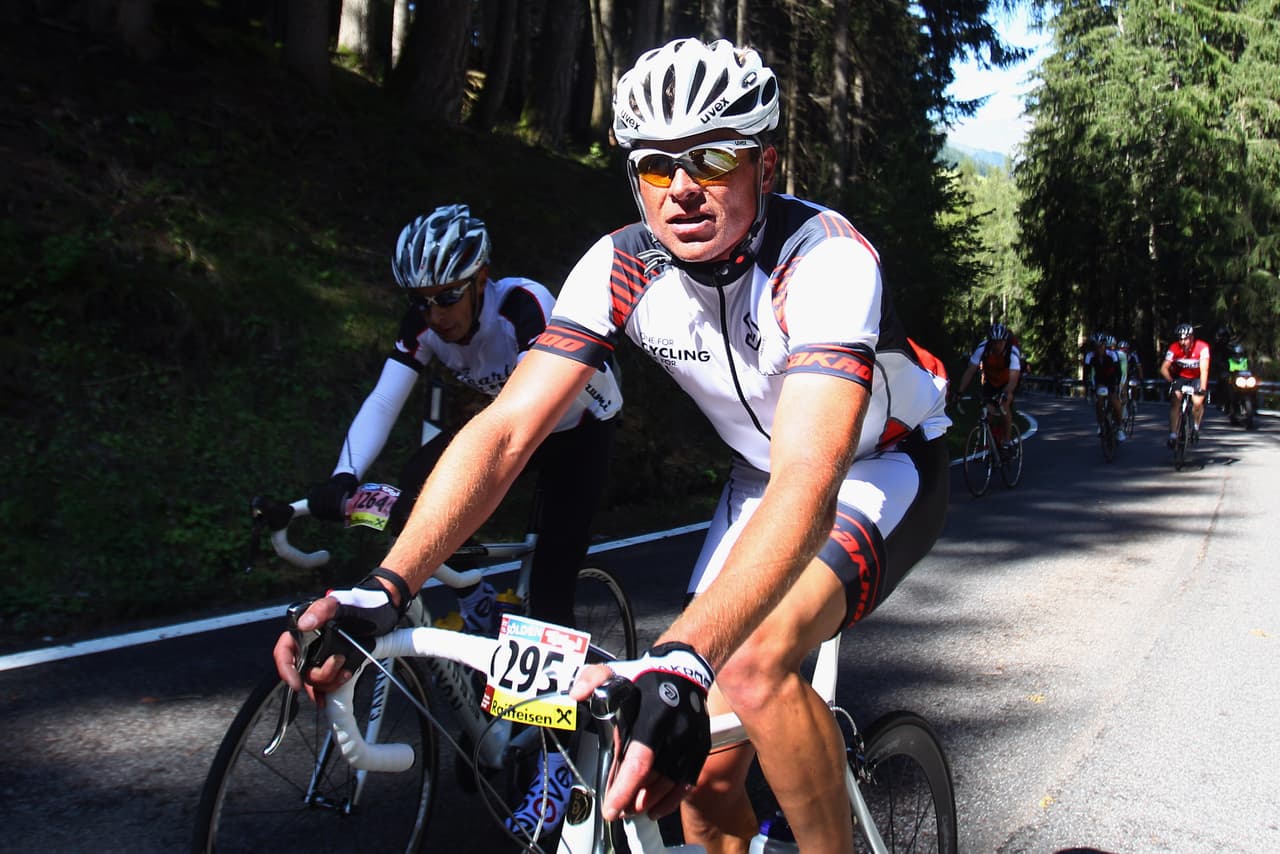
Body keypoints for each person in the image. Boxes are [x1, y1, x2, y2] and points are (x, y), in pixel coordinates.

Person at [275, 38, 950, 853]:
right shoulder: (622, 264)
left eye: (715, 158)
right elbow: (504, 432)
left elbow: (810, 477)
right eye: (658, 167)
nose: (685, 190)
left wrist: (687, 657)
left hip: (875, 467)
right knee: (695, 777)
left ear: (766, 168)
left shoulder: (824, 260)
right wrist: (383, 588)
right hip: (756, 482)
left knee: (746, 664)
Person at [300, 205, 623, 839]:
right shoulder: (425, 324)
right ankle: (476, 597)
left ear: (481, 279)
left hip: (576, 427)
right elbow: (385, 398)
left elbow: (521, 423)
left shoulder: (525, 306)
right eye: (423, 301)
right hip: (503, 421)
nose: (438, 312)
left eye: (449, 294)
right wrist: (344, 475)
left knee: (548, 595)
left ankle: (559, 768)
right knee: (409, 501)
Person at [952, 322, 1021, 448]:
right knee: (988, 412)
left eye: (1000, 342)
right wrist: (960, 391)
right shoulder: (982, 349)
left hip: (1007, 384)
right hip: (990, 382)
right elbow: (970, 371)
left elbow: (1013, 379)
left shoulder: (1012, 352)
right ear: (990, 341)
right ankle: (990, 442)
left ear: (1005, 341)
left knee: (1004, 406)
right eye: (994, 342)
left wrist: (1005, 394)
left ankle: (1006, 441)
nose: (997, 346)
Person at [1160, 322, 1211, 447]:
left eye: (1186, 339)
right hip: (1180, 377)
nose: (1183, 342)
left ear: (1192, 338)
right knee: (1175, 400)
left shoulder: (1202, 347)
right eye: (1180, 339)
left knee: (1198, 402)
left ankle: (1195, 426)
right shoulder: (1174, 348)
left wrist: (1203, 389)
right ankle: (1173, 434)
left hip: (1196, 377)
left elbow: (1204, 369)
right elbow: (1164, 368)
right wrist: (1171, 381)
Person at [1083, 332, 1126, 441]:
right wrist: (1088, 387)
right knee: (1099, 401)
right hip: (1100, 380)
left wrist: (1118, 385)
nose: (1099, 349)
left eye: (1101, 346)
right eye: (1096, 347)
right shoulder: (1089, 356)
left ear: (1104, 345)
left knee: (1115, 401)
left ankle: (1120, 428)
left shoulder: (1112, 355)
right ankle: (1100, 424)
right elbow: (1086, 374)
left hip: (1111, 379)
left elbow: (1119, 372)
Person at [1117, 338, 1144, 403]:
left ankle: (1134, 400)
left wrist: (1141, 377)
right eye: (1121, 349)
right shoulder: (1116, 355)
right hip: (1120, 374)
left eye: (1125, 348)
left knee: (1134, 385)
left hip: (1131, 374)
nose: (1124, 350)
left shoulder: (1133, 355)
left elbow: (1138, 366)